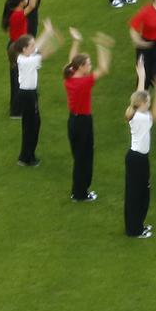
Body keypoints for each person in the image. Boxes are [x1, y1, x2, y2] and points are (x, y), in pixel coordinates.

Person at [61, 29, 114, 201]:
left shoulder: (69, 77)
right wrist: (101, 47)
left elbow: (71, 60)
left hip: (73, 122)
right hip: (83, 123)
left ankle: (78, 191)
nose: (90, 66)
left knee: (79, 158)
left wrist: (76, 41)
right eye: (88, 64)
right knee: (84, 159)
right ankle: (80, 194)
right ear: (81, 67)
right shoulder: (83, 82)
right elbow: (103, 69)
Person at [10, 19, 60, 165]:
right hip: (28, 96)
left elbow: (37, 46)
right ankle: (26, 158)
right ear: (25, 49)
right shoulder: (27, 61)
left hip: (29, 94)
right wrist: (55, 42)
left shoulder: (25, 56)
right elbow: (44, 53)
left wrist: (47, 32)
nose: (34, 47)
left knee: (34, 124)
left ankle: (27, 155)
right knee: (31, 126)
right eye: (31, 46)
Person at [122, 75, 156, 239]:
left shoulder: (135, 112)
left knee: (137, 193)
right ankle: (135, 230)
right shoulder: (142, 118)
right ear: (143, 104)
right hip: (138, 159)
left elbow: (138, 96)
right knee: (138, 194)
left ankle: (136, 224)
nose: (150, 104)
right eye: (148, 102)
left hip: (137, 158)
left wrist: (142, 76)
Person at [2, 0, 36, 117]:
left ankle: (17, 107)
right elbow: (32, 5)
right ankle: (16, 111)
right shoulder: (17, 14)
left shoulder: (14, 11)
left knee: (18, 78)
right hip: (17, 49)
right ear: (21, 2)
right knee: (18, 80)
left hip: (16, 46)